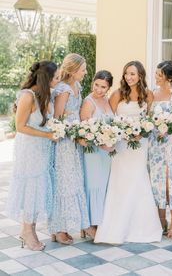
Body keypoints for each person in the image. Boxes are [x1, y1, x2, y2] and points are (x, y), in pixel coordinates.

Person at [94, 60, 162, 244]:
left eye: (132, 74)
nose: (129, 77)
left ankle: (142, 229)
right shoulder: (117, 94)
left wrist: (142, 133)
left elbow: (150, 120)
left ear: (140, 75)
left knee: (139, 180)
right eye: (126, 73)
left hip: (140, 145)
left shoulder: (148, 95)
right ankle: (116, 228)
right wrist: (120, 134)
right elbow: (110, 120)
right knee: (120, 182)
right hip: (122, 146)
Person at [7, 61, 60, 251]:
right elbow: (20, 126)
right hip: (29, 149)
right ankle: (27, 231)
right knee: (31, 186)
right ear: (46, 79)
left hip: (43, 149)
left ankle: (30, 229)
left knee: (38, 188)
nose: (59, 79)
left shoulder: (45, 95)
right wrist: (47, 135)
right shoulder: (28, 96)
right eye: (56, 77)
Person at [48, 53, 93, 244]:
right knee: (64, 182)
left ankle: (76, 224)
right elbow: (57, 119)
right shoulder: (63, 89)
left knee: (75, 180)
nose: (85, 73)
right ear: (74, 71)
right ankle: (58, 228)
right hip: (65, 142)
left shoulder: (78, 85)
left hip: (76, 140)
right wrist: (70, 130)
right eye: (82, 70)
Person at [148, 60, 172, 238]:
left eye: (159, 75)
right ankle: (160, 222)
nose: (156, 77)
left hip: (171, 144)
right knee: (157, 181)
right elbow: (148, 118)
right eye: (155, 73)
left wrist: (169, 127)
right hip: (155, 144)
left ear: (168, 77)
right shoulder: (153, 93)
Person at [80, 70, 114, 229]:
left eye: (103, 87)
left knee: (103, 184)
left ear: (108, 88)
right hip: (93, 152)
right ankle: (90, 224)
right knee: (93, 184)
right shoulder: (88, 102)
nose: (99, 90)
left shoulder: (107, 101)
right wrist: (102, 144)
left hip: (107, 153)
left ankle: (101, 221)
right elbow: (85, 131)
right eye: (97, 85)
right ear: (92, 82)